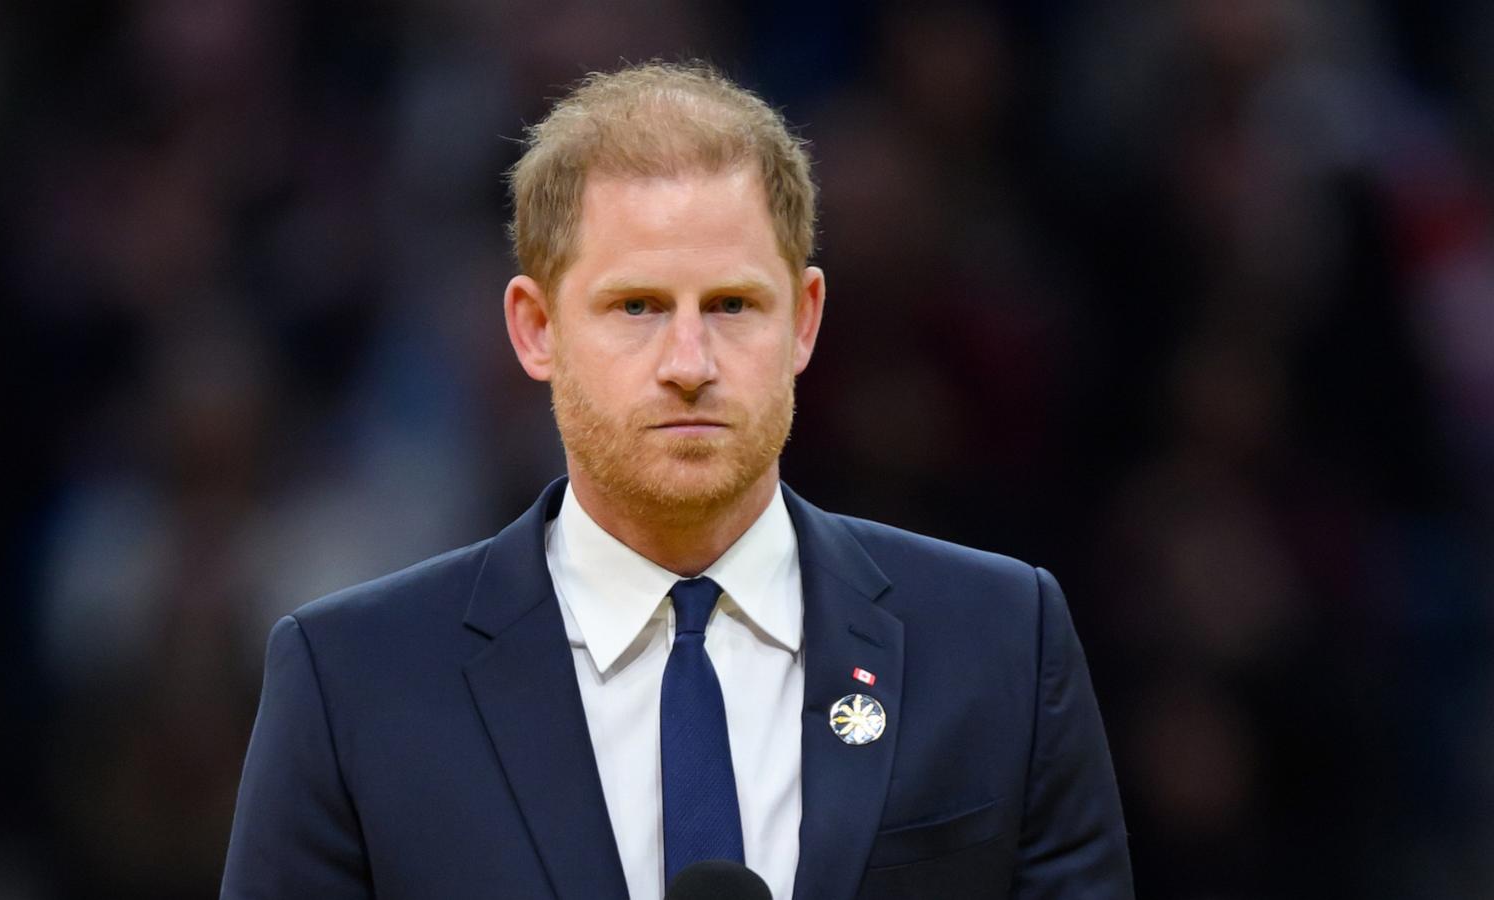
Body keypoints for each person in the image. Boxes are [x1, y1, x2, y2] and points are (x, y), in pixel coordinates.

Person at [221, 61, 1134, 900]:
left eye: (733, 305)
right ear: (536, 329)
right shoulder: (354, 682)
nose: (689, 361)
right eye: (637, 307)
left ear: (805, 321)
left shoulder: (1000, 640)